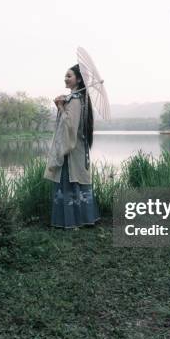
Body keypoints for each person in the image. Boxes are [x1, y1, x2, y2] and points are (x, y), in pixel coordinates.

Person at [43, 64, 100, 228]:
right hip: (76, 149)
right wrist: (61, 105)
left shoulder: (75, 100)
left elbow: (70, 126)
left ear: (79, 79)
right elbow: (69, 122)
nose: (65, 78)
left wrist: (60, 106)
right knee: (75, 182)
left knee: (71, 181)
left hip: (72, 151)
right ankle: (80, 219)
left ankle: (72, 221)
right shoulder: (77, 99)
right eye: (65, 76)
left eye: (69, 76)